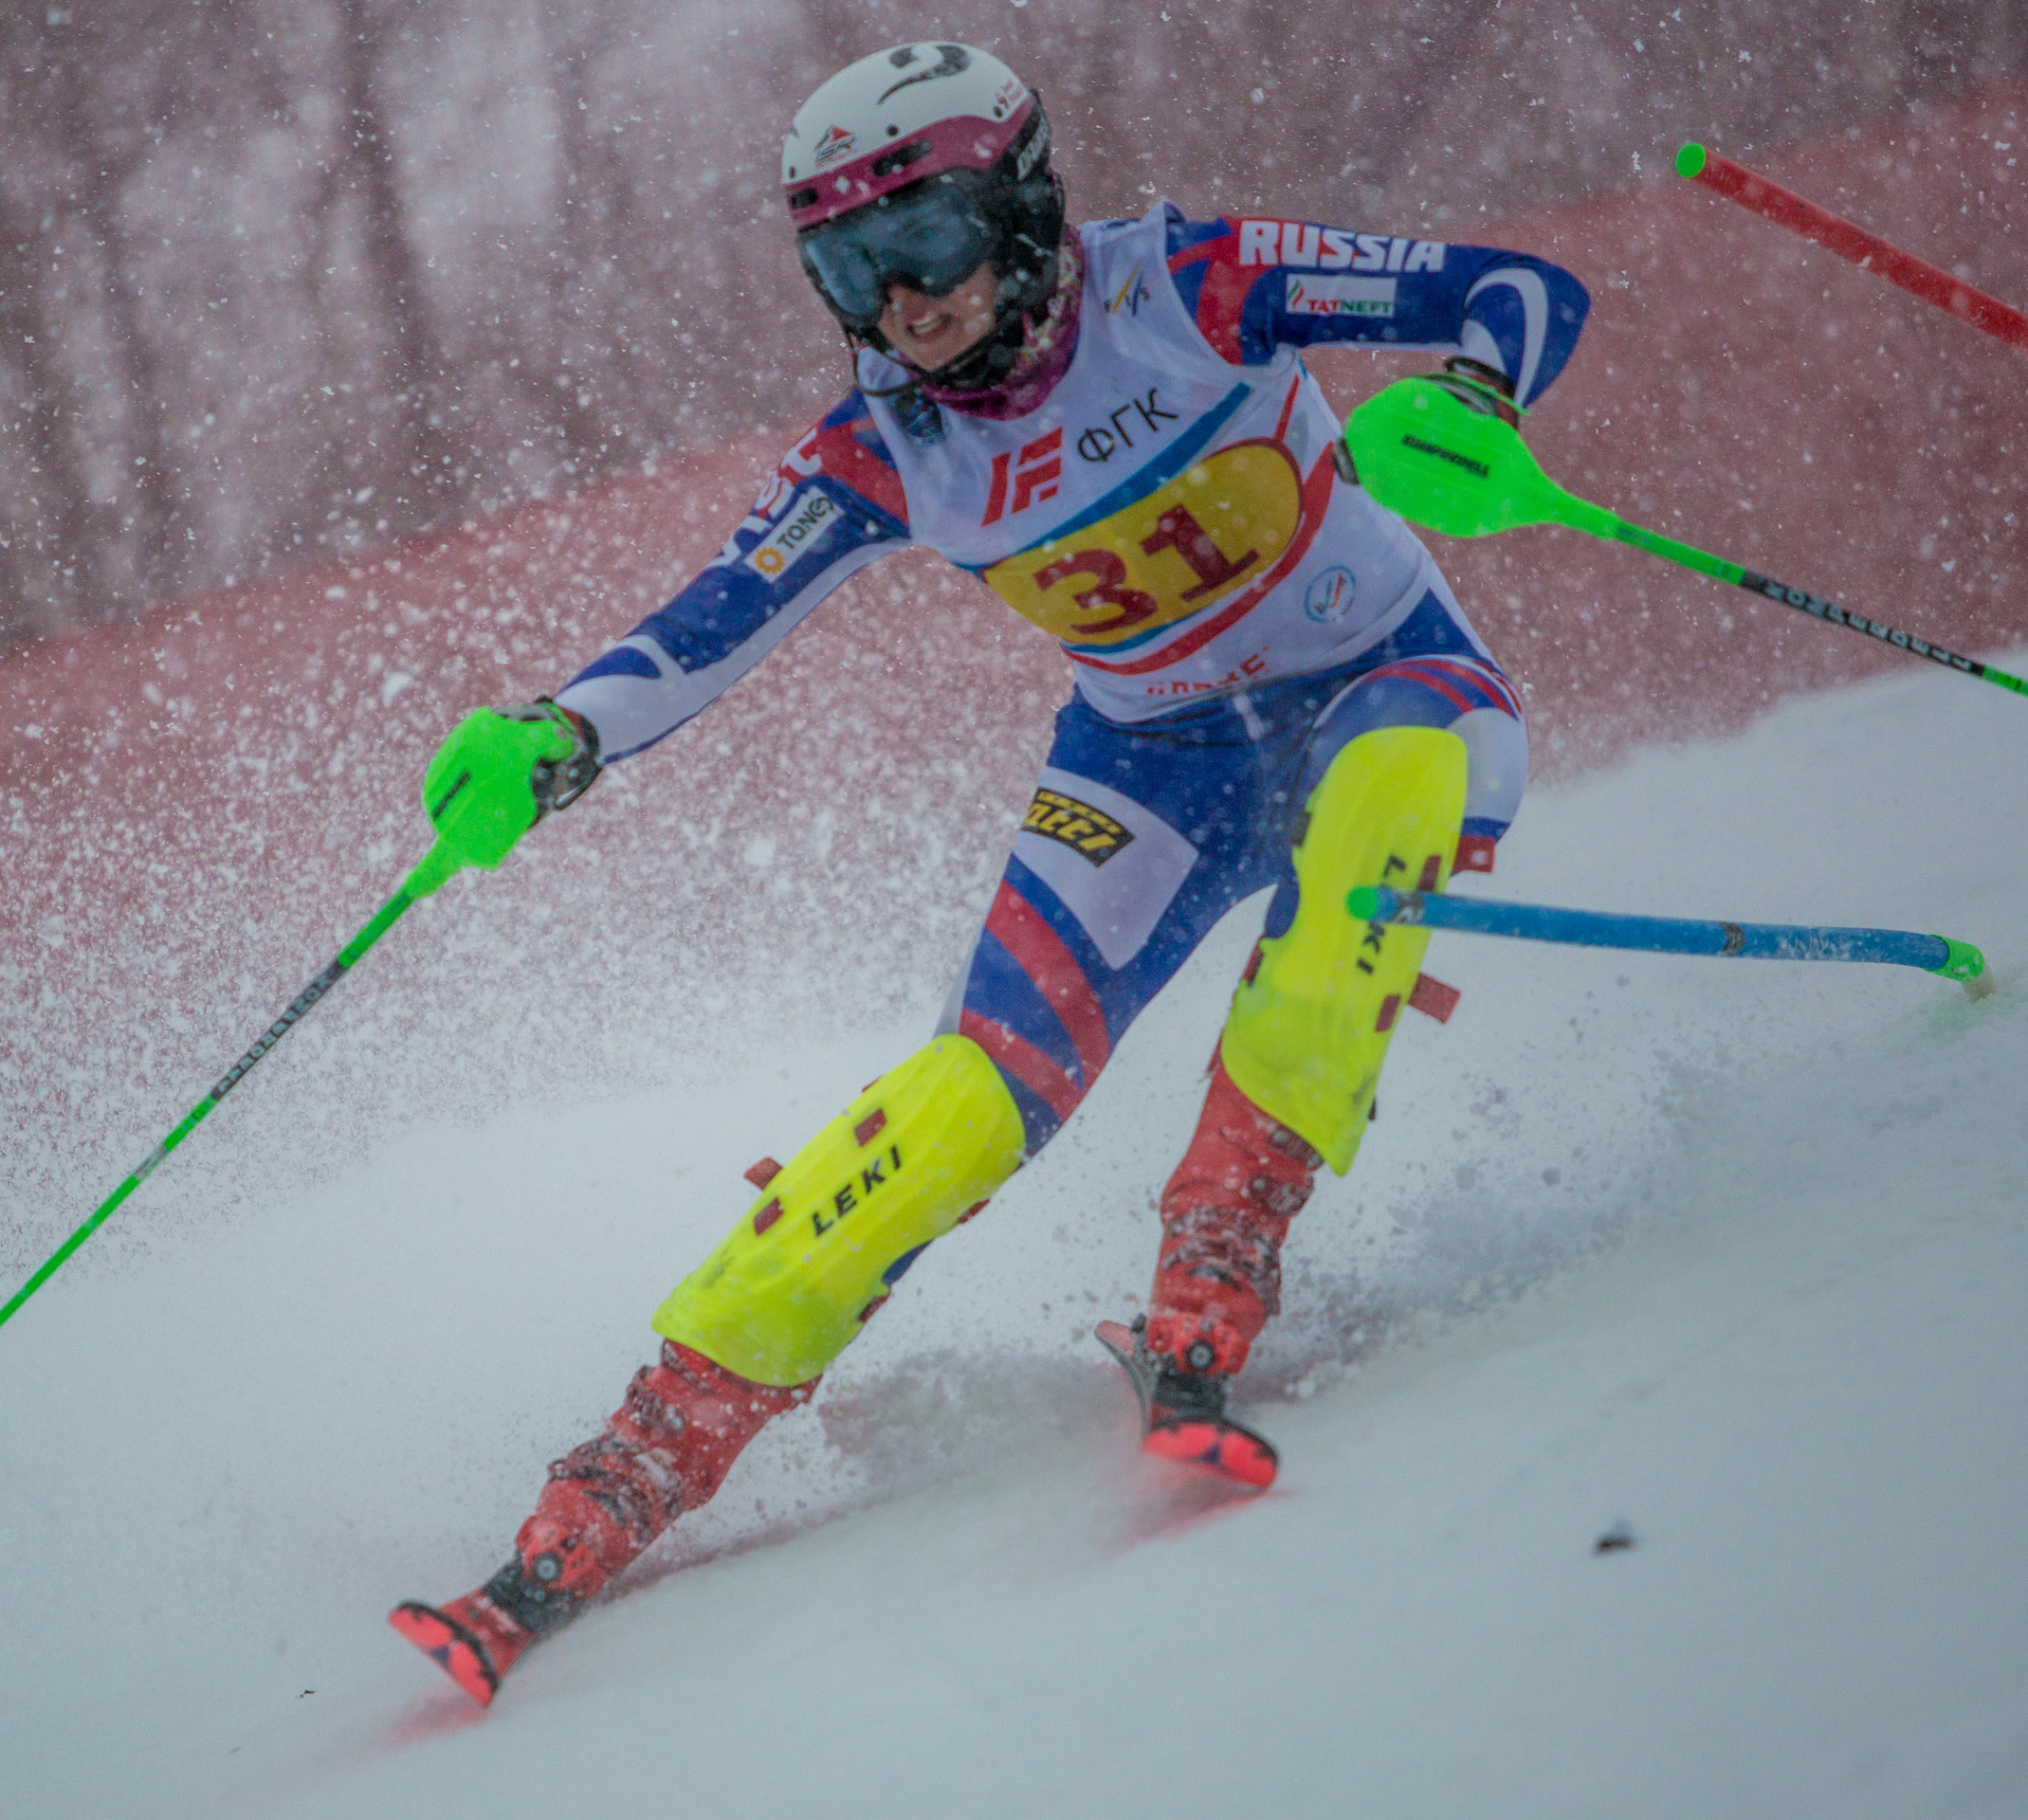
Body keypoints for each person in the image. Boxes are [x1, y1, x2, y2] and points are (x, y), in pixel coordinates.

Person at [390, 41, 1588, 1705]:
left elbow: (1516, 291)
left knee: (1374, 808)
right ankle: (647, 1444)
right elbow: (710, 624)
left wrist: (1475, 401)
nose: (904, 308)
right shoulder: (884, 440)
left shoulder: (1187, 281)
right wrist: (555, 738)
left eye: (928, 245)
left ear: (1021, 209)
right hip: (1154, 761)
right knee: (973, 1088)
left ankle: (1221, 1248)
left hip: (1390, 690)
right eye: (850, 272)